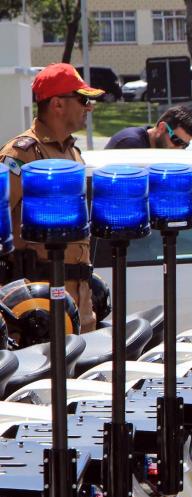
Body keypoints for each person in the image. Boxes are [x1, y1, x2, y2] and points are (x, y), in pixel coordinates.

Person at [0, 63, 105, 332]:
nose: (89, 107)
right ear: (58, 104)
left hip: (79, 305)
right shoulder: (22, 154)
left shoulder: (73, 153)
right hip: (37, 311)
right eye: (83, 99)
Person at [105, 105, 192, 149]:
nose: (179, 148)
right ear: (162, 128)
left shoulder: (159, 149)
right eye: (177, 141)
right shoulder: (132, 143)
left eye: (185, 145)